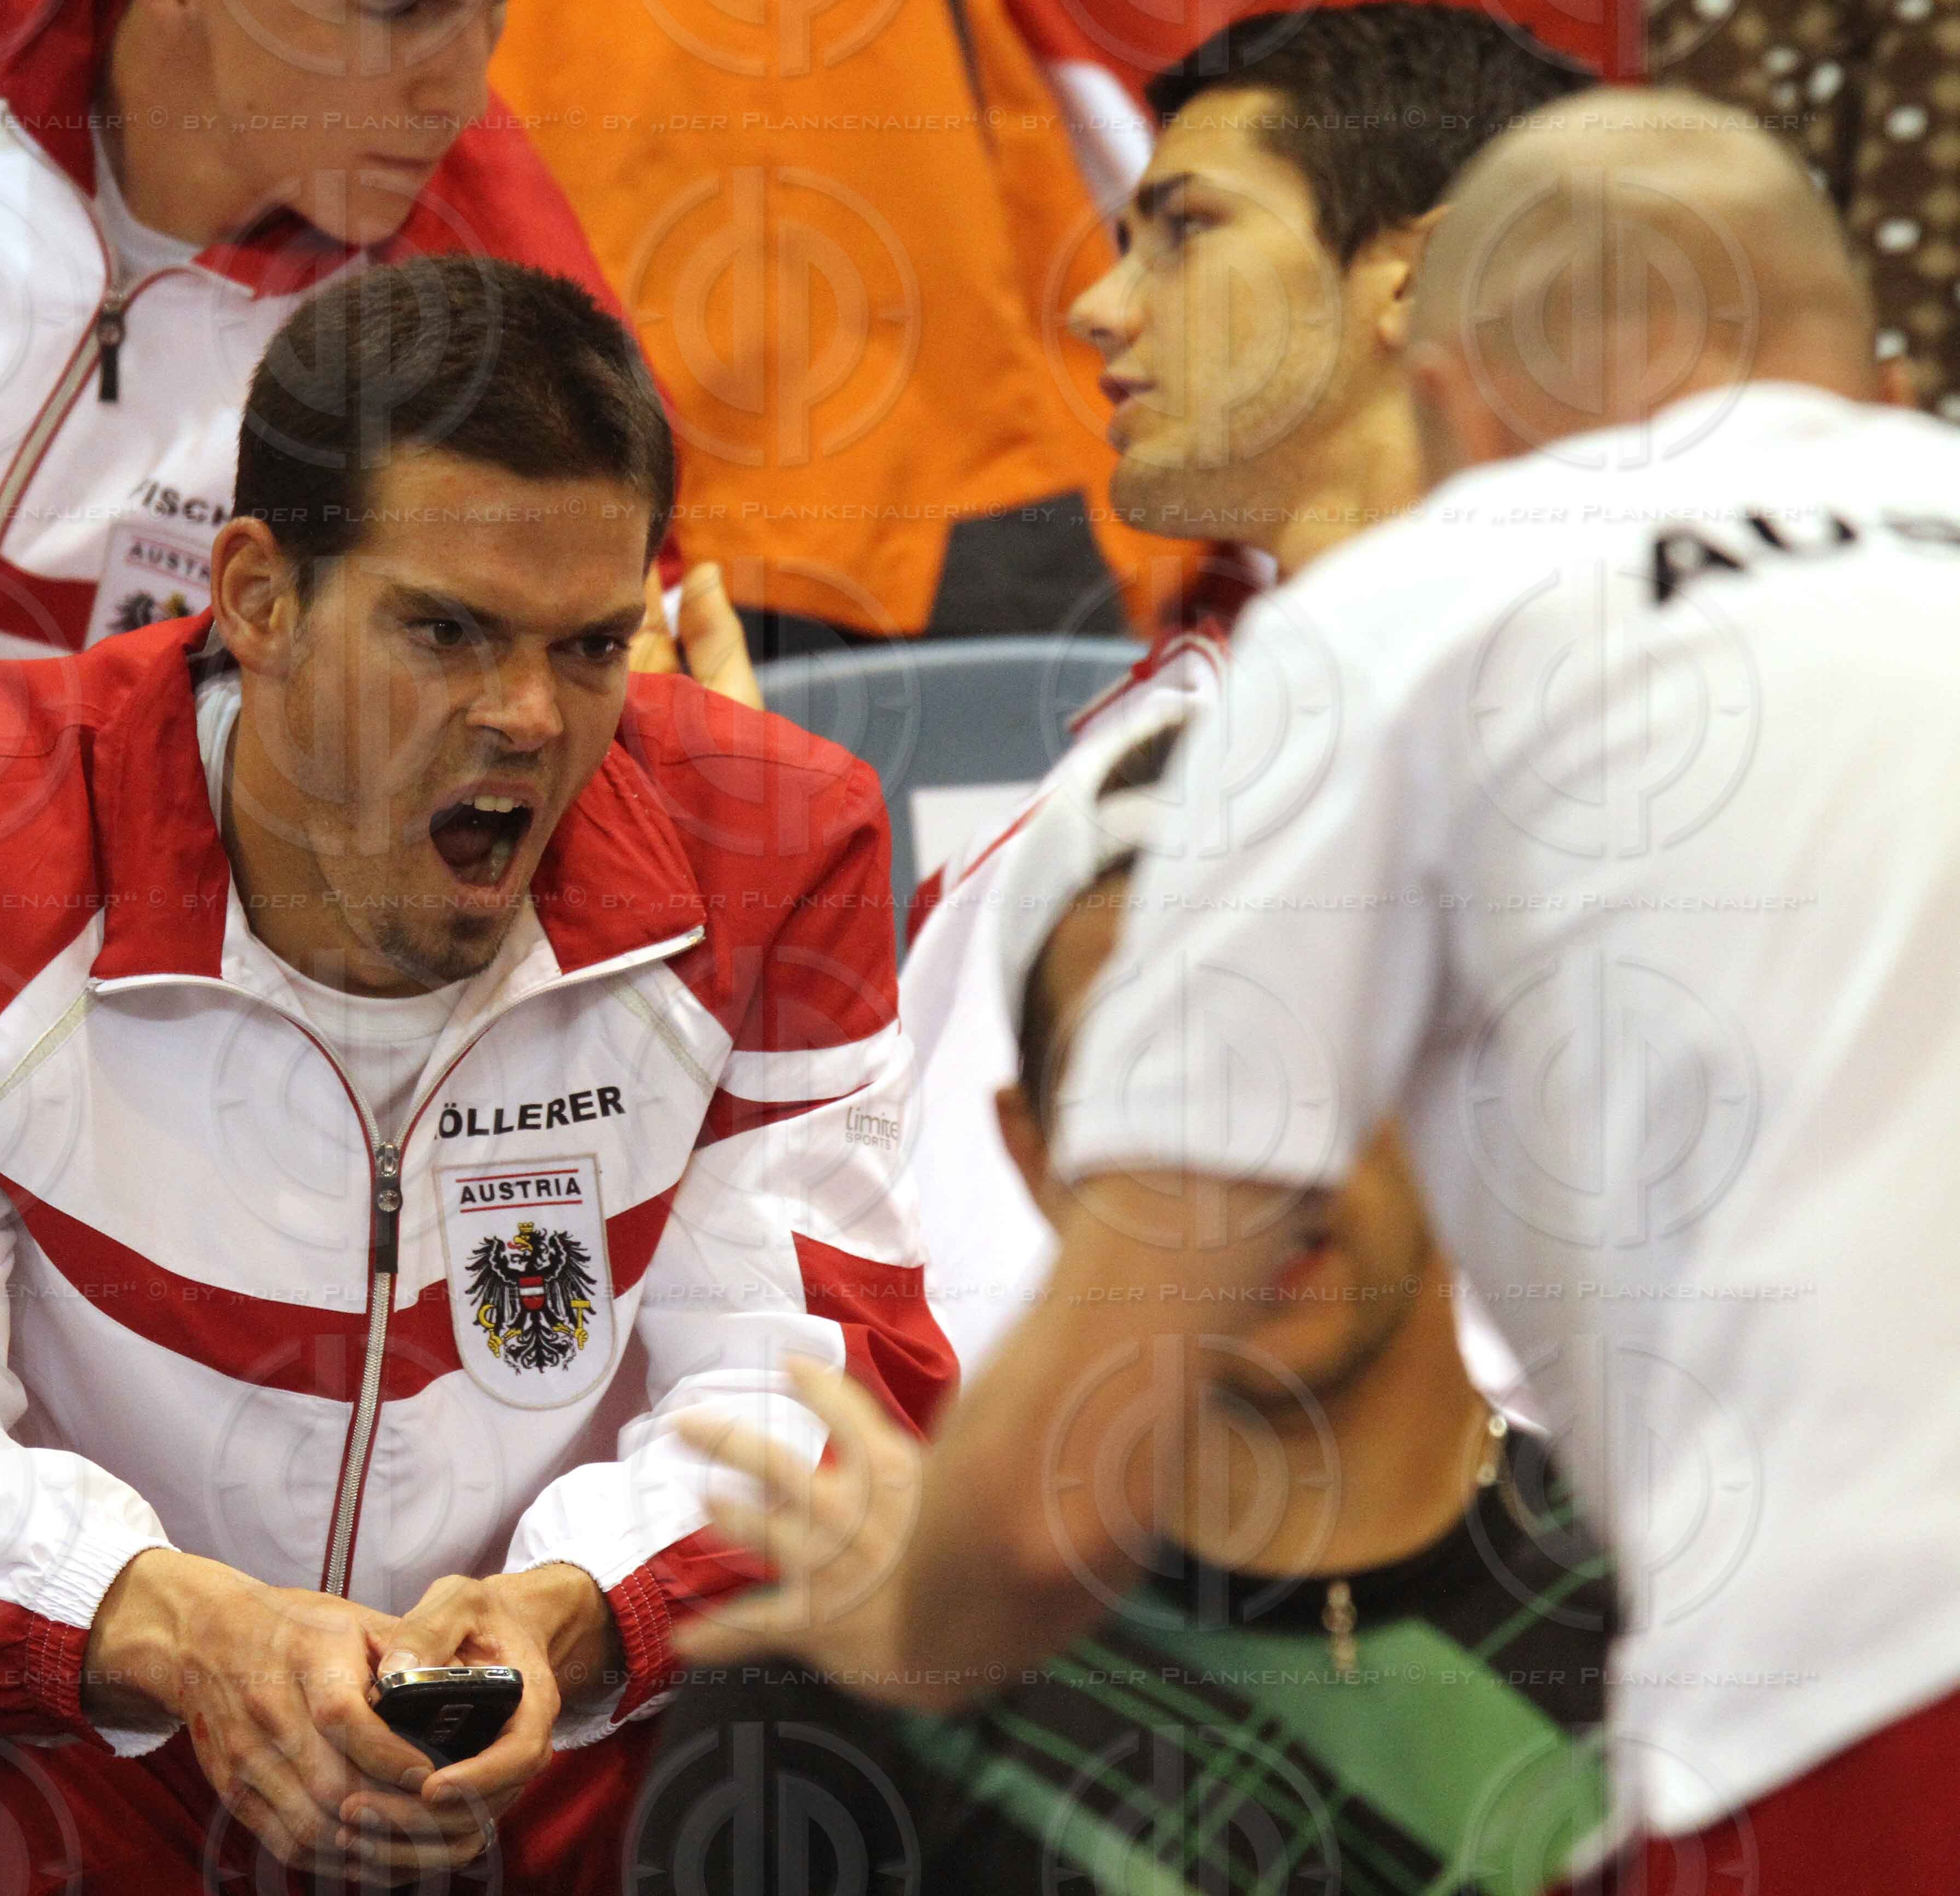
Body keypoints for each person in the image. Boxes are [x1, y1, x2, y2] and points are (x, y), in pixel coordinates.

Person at [0, 254, 952, 1895]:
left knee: (890, 1699)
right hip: (107, 1753)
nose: (526, 716)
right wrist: (179, 1630)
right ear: (252, 593)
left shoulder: (774, 844)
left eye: (592, 646)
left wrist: (566, 1618)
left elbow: (816, 1395)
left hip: (542, 1761)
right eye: (444, 631)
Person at [883, 92, 1960, 1887]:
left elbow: (1060, 1477)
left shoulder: (1406, 615)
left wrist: (881, 1622)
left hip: (1868, 1677)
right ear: (1859, 368)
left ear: (1448, 393)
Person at [650, 714, 1616, 1893]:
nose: (1233, 1163)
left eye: (1303, 1046)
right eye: (1148, 1080)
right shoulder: (827, 1710)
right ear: (1033, 1155)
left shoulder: (1704, 1610)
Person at [908, 3, 1592, 1373]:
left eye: (1188, 229)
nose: (1101, 307)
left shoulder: (1633, 734)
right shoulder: (1151, 748)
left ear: (1418, 276)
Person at [0, 0, 753, 721]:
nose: (461, 93)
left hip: (172, 1034)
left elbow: (629, 770)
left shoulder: (498, 326)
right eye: (400, 10)